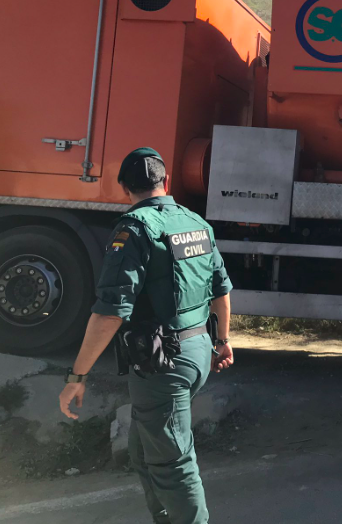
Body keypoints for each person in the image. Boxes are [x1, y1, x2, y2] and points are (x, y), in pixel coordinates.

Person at [58, 147, 234, 524]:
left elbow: (110, 313)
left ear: (124, 188)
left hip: (163, 363)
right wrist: (222, 342)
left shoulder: (135, 229)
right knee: (143, 452)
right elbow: (221, 292)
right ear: (166, 182)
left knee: (173, 465)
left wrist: (77, 376)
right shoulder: (195, 222)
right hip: (199, 351)